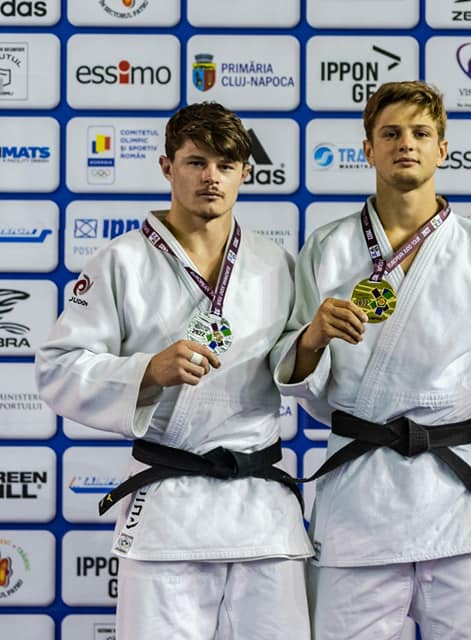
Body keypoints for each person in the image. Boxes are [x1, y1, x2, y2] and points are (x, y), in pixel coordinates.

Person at [271, 80, 471, 640]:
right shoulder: (327, 248)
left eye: (421, 133)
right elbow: (299, 376)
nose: (406, 143)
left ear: (442, 149)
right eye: (391, 133)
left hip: (454, 496)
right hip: (360, 494)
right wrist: (311, 339)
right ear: (368, 149)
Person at [35, 102, 312, 640]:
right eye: (196, 162)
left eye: (225, 165)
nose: (212, 177)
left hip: (261, 510)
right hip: (168, 511)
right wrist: (147, 371)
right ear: (167, 167)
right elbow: (57, 368)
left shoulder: (276, 265)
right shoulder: (121, 262)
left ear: (244, 173)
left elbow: (298, 369)